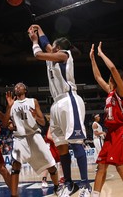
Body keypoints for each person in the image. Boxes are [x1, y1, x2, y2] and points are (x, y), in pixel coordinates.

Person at [28, 25, 92, 197]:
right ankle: (70, 184)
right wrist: (39, 29)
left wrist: (34, 42)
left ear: (58, 47)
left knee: (76, 142)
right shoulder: (53, 55)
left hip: (69, 100)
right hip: (56, 104)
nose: (50, 47)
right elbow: (46, 43)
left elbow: (38, 53)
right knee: (61, 145)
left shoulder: (64, 55)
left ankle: (86, 185)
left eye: (53, 46)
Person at [3, 82, 62, 197]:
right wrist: (9, 107)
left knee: (51, 165)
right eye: (16, 86)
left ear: (25, 90)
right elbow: (5, 124)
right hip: (20, 138)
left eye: (20, 86)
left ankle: (56, 187)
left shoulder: (32, 101)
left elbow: (43, 122)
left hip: (34, 135)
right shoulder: (12, 104)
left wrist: (36, 116)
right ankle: (14, 195)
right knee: (16, 165)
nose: (17, 87)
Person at [90, 41, 123, 197]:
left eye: (111, 77)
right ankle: (95, 195)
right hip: (110, 133)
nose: (109, 78)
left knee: (119, 165)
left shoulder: (121, 91)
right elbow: (97, 76)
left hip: (120, 130)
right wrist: (92, 59)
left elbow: (112, 68)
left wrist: (101, 54)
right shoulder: (110, 91)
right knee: (101, 165)